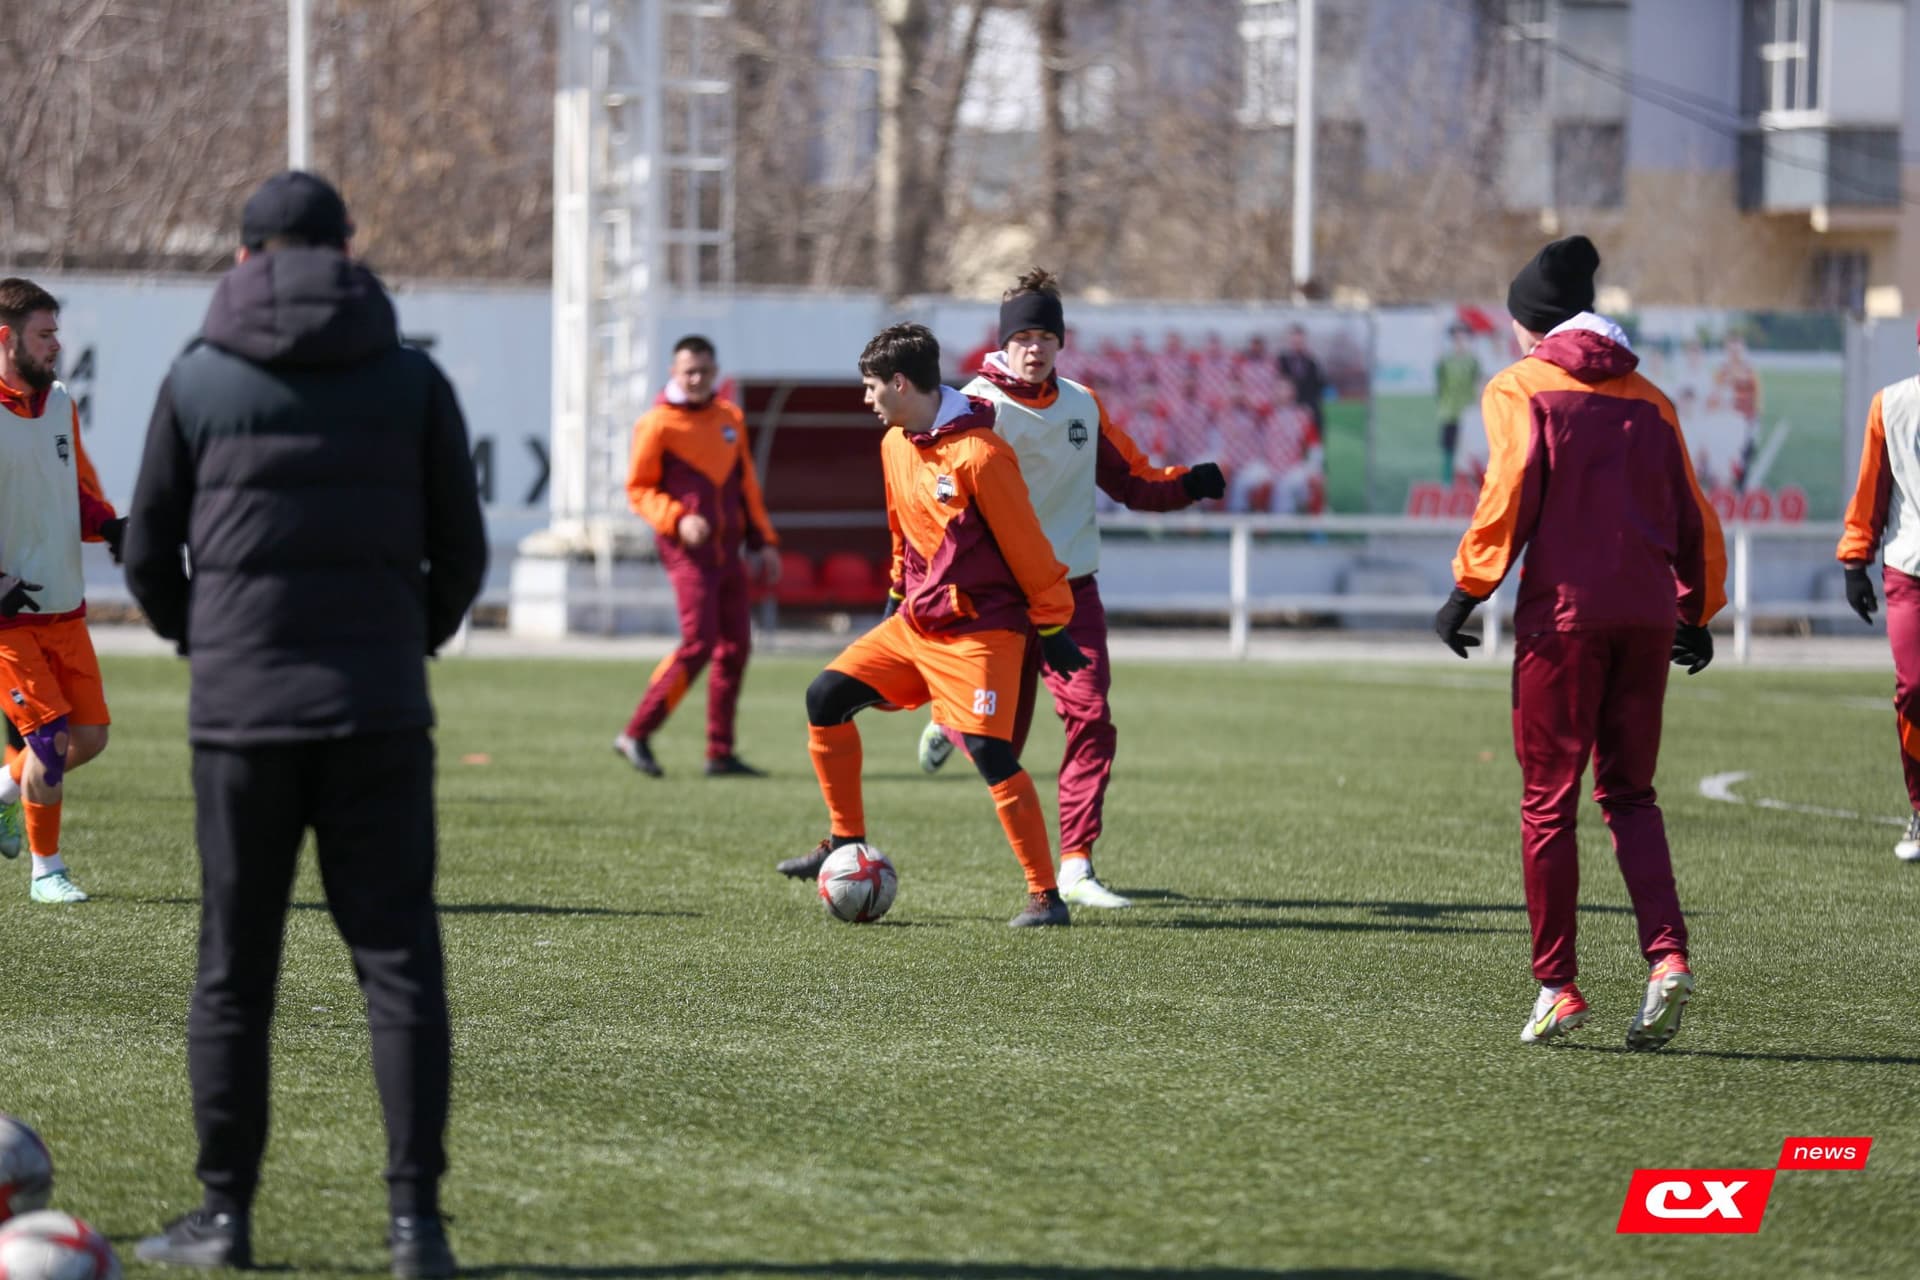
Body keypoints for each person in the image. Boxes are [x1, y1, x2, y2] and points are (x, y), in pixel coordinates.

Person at [122, 171, 486, 1276]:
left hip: (243, 716)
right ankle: (416, 1226)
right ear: (347, 249)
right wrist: (408, 639)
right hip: (377, 707)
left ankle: (224, 1216)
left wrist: (209, 640)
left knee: (234, 968)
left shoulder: (196, 376)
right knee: (399, 965)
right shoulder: (413, 377)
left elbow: (147, 550)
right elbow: (462, 551)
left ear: (244, 257)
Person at [1433, 235, 1726, 1051]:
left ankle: (1557, 986)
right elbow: (1694, 513)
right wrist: (1698, 609)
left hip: (1563, 621)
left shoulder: (1519, 386)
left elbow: (1510, 492)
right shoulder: (1651, 397)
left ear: (1531, 323)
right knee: (1631, 796)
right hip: (1646, 617)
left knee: (1548, 803)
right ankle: (1667, 958)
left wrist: (1468, 589)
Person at [915, 270, 1225, 909]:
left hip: (1070, 594)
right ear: (1004, 342)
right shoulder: (972, 409)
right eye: (1022, 337)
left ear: (1061, 342)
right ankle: (951, 716)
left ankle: (1077, 865)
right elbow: (936, 501)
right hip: (999, 599)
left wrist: (1188, 483)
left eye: (1045, 337)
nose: (1034, 348)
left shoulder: (1083, 404)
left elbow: (1132, 479)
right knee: (1001, 746)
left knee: (1091, 718)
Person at [775, 323, 1088, 928]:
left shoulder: (982, 454)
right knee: (825, 696)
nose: (865, 399)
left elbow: (1028, 547)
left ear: (900, 383)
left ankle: (1046, 898)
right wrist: (896, 595)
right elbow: (903, 530)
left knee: (990, 752)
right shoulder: (895, 442)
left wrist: (1053, 627)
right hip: (917, 621)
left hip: (981, 629)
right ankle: (845, 840)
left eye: (871, 387)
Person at [0, 276, 125, 903]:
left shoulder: (60, 404)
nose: (56, 345)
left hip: (65, 608)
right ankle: (46, 872)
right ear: (6, 338)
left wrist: (111, 526)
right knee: (48, 741)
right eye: (44, 334)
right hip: (8, 620)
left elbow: (73, 492)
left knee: (90, 737)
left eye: (56, 333)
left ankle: (3, 788)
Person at [614, 335, 780, 779]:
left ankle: (719, 753)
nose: (696, 379)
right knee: (699, 643)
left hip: (729, 550)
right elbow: (639, 489)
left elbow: (746, 485)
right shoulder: (656, 424)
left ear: (715, 372)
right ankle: (636, 733)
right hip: (688, 551)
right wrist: (677, 519)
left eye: (704, 371)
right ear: (674, 372)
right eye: (689, 371)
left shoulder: (729, 418)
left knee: (736, 648)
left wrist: (763, 540)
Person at [1836, 320, 1920, 861]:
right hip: (1910, 570)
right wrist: (1855, 559)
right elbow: (1871, 488)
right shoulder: (1891, 405)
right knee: (1914, 689)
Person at [1435, 323, 1481, 483]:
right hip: (1449, 412)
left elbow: (1477, 383)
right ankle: (1447, 484)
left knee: (1468, 451)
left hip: (1467, 413)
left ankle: (1467, 485)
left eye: (1462, 337)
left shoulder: (1472, 361)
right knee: (1449, 450)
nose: (1459, 341)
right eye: (1456, 338)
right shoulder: (1445, 361)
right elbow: (1440, 385)